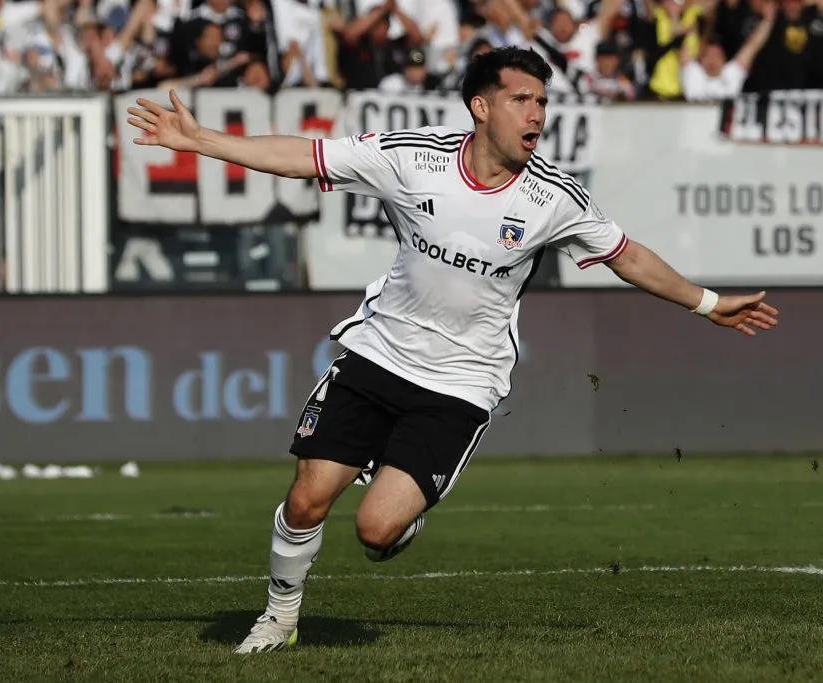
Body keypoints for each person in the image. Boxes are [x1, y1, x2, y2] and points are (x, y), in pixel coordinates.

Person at [126, 46, 779, 654]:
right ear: (481, 106)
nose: (537, 114)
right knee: (306, 500)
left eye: (542, 102)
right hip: (378, 354)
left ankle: (401, 513)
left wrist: (707, 302)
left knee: (375, 530)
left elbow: (626, 254)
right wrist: (202, 141)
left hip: (461, 384)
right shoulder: (414, 157)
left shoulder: (553, 197)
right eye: (522, 99)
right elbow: (307, 156)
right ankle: (279, 616)